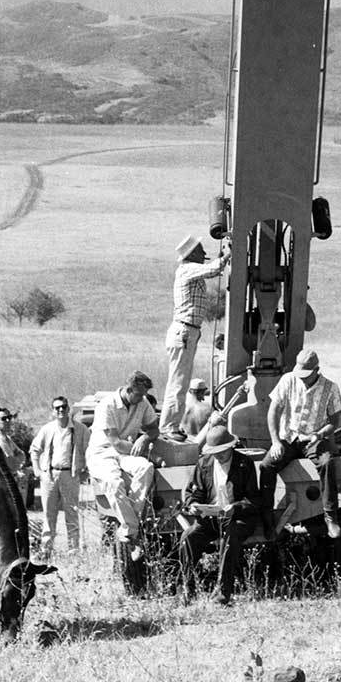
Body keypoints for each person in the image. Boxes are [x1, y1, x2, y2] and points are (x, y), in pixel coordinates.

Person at [259, 349, 341, 540]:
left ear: (317, 370)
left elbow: (335, 420)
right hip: (288, 438)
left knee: (327, 462)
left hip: (312, 439)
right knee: (266, 466)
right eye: (301, 374)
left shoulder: (330, 387)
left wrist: (320, 434)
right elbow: (273, 411)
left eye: (307, 375)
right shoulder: (288, 380)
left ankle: (330, 517)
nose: (303, 379)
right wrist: (275, 442)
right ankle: (267, 520)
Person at [178, 425, 260, 605]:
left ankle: (222, 592)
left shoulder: (245, 464)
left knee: (230, 537)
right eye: (214, 452)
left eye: (222, 451)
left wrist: (235, 507)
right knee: (188, 537)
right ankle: (187, 589)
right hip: (211, 518)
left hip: (237, 517)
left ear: (231, 447)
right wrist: (192, 505)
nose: (218, 455)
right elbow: (194, 492)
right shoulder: (204, 463)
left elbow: (253, 500)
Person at [161, 234, 230, 440]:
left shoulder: (189, 270)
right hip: (184, 332)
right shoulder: (186, 269)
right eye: (201, 249)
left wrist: (220, 259)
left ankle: (171, 424)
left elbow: (210, 268)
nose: (204, 253)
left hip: (188, 332)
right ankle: (168, 427)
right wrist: (226, 257)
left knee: (180, 381)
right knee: (178, 382)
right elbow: (212, 269)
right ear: (192, 253)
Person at [86, 370, 160, 558]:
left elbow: (154, 429)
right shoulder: (107, 405)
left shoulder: (142, 403)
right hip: (102, 452)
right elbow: (115, 442)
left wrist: (144, 438)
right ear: (128, 389)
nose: (143, 398)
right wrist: (141, 448)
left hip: (126, 451)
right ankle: (133, 532)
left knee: (146, 468)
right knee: (114, 483)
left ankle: (131, 526)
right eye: (139, 394)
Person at [29, 396, 90, 558]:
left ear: (69, 409)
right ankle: (46, 550)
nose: (61, 410)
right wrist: (37, 471)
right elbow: (34, 450)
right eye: (57, 408)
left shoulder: (80, 429)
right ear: (53, 411)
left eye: (63, 407)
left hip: (70, 475)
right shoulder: (47, 429)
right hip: (49, 475)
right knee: (49, 513)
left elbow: (90, 451)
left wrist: (86, 471)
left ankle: (73, 550)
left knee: (72, 512)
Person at [0, 408, 30, 505]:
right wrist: (18, 460)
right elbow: (12, 464)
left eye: (9, 417)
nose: (8, 421)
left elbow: (22, 454)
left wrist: (18, 458)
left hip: (12, 481)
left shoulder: (6, 437)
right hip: (5, 483)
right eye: (4, 418)